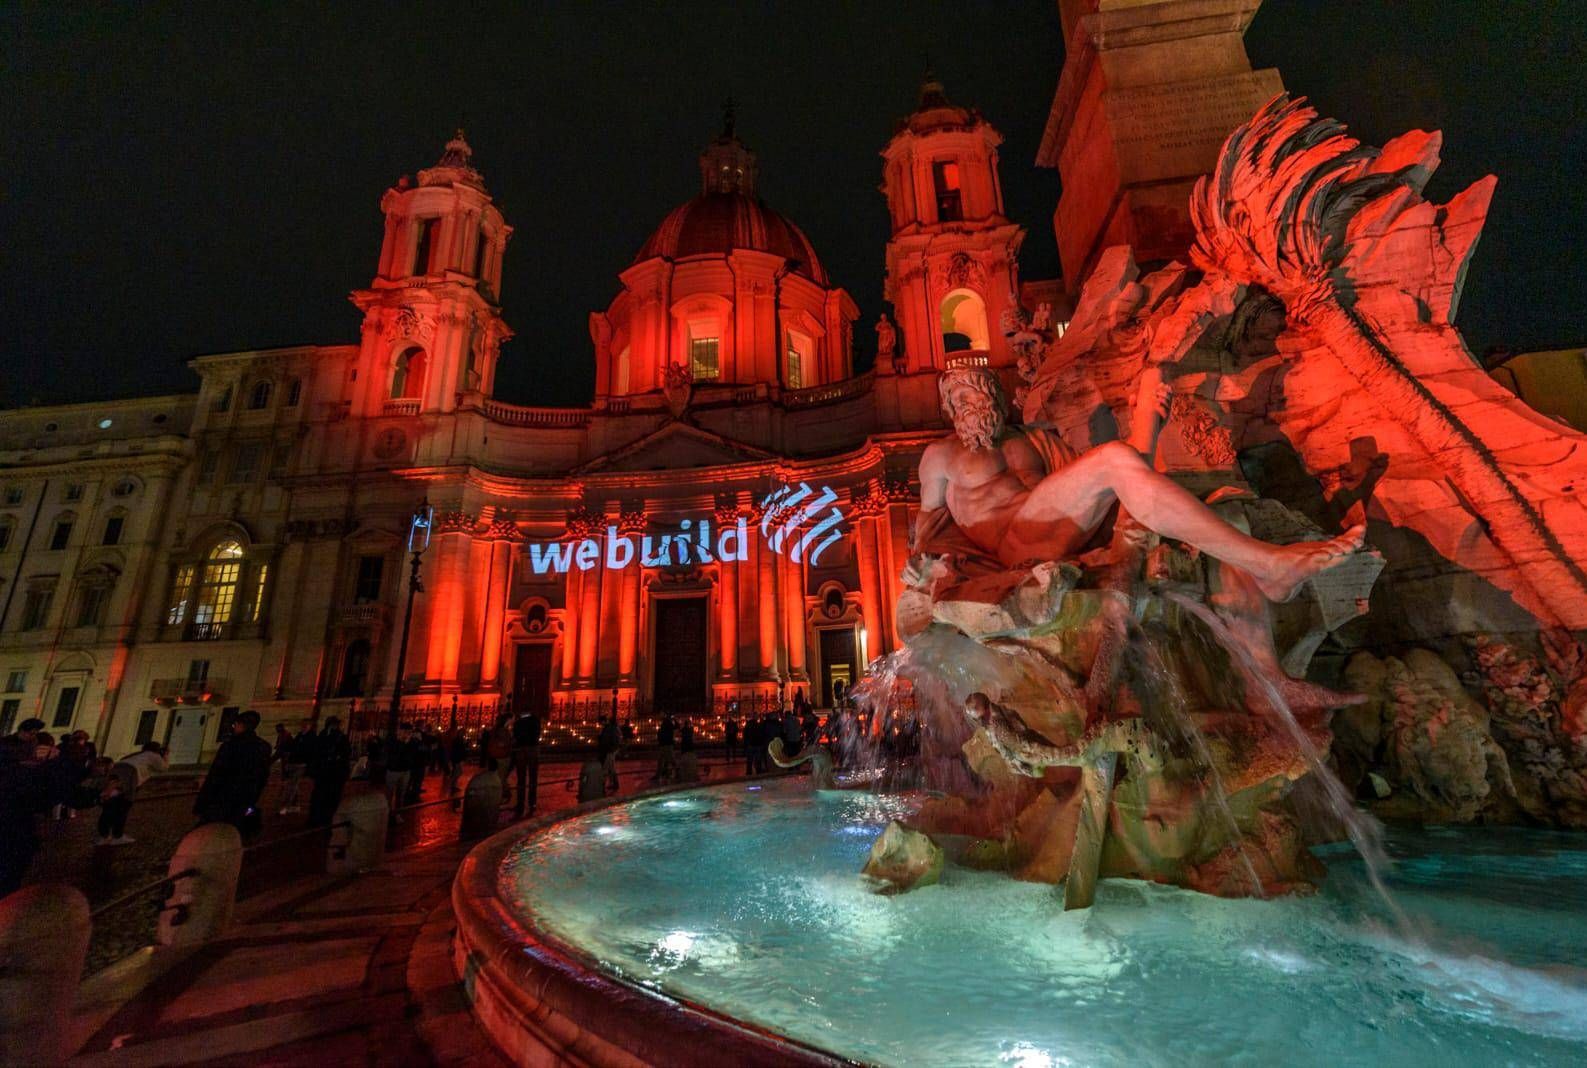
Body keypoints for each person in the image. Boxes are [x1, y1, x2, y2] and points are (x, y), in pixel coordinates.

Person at [916, 366, 1363, 600]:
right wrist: (924, 569)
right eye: (960, 398)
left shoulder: (1033, 439)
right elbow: (927, 530)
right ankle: (1267, 565)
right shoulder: (941, 455)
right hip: (1013, 544)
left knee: (1121, 463)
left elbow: (1104, 483)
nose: (971, 402)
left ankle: (1148, 416)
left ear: (996, 398)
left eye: (979, 392)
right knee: (1115, 458)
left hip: (1057, 527)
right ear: (949, 410)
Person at [195, 710, 273, 839]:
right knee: (233, 832)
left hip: (224, 797)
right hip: (246, 797)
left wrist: (202, 803)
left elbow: (216, 775)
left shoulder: (230, 746)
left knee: (210, 832)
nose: (234, 728)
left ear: (241, 725)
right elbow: (263, 776)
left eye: (235, 725)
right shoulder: (264, 747)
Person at [98, 742, 167, 845]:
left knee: (110, 804)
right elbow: (163, 767)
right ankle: (117, 836)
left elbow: (123, 759)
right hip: (131, 774)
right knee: (123, 806)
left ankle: (104, 835)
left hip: (116, 769)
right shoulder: (153, 755)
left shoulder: (137, 754)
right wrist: (165, 756)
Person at [307, 716, 352, 826]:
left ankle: (320, 818)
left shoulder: (330, 736)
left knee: (325, 797)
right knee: (326, 797)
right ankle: (321, 819)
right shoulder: (333, 736)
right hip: (329, 772)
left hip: (330, 772)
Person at [509, 703, 542, 817]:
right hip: (533, 749)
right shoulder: (535, 721)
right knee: (533, 778)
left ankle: (520, 804)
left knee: (521, 779)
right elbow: (537, 734)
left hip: (521, 750)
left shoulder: (518, 723)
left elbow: (515, 736)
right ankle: (532, 803)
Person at [280, 719, 316, 814]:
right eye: (303, 725)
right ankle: (294, 805)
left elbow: (309, 752)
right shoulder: (301, 735)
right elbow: (293, 747)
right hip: (295, 763)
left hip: (301, 764)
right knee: (293, 785)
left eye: (305, 725)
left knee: (292, 785)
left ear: (310, 726)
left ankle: (287, 806)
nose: (303, 727)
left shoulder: (311, 737)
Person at [384, 723, 416, 819]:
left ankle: (398, 813)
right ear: (400, 731)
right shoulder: (392, 740)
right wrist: (402, 743)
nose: (408, 734)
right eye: (406, 732)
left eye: (410, 732)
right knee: (389, 793)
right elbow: (392, 753)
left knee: (401, 793)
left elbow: (412, 754)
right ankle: (387, 813)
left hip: (405, 770)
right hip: (393, 770)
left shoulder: (411, 742)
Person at [597, 712, 621, 793]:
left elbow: (606, 741)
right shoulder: (609, 728)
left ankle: (601, 786)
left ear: (604, 721)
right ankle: (615, 783)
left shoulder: (609, 728)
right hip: (611, 750)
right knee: (611, 768)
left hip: (610, 751)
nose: (600, 724)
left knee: (606, 768)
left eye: (601, 722)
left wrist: (609, 749)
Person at [654, 713, 676, 783]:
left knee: (668, 760)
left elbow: (664, 733)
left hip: (666, 744)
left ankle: (667, 774)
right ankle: (661, 774)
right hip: (665, 744)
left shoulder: (667, 724)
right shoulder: (668, 724)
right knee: (664, 760)